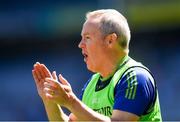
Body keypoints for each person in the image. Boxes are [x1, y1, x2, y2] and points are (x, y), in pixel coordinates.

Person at [32, 9, 162, 121]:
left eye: (87, 38)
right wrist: (49, 100)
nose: (80, 44)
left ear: (110, 40)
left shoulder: (134, 77)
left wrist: (71, 101)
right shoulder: (92, 84)